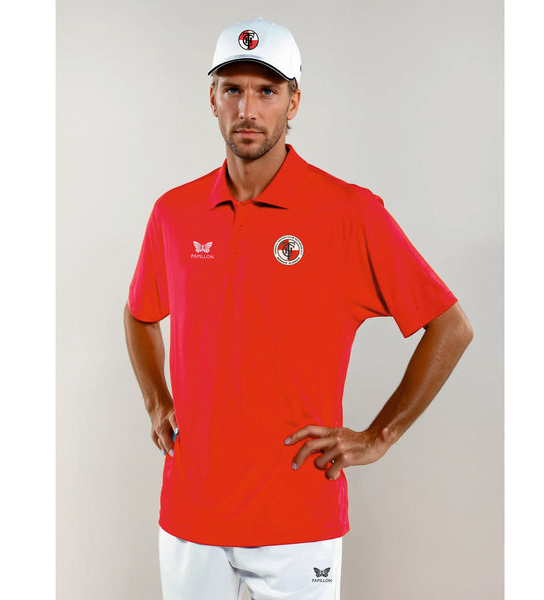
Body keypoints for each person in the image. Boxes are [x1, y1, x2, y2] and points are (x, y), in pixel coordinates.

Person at [124, 17, 473, 600]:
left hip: (298, 519)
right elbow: (140, 314)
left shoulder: (349, 212)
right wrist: (157, 399)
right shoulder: (173, 213)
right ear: (212, 99)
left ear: (293, 102)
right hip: (190, 515)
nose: (247, 109)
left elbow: (450, 326)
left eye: (267, 90)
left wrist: (380, 436)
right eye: (233, 89)